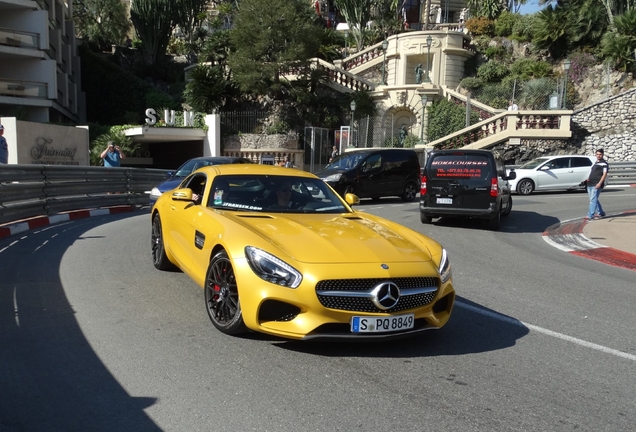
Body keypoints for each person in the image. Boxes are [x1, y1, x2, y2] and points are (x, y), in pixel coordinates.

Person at [585, 148, 609, 220]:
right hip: (590, 183)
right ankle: (601, 213)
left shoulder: (604, 164)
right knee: (594, 199)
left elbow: (604, 174)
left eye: (600, 154)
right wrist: (588, 179)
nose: (598, 156)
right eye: (597, 154)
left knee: (593, 200)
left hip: (597, 184)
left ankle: (590, 215)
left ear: (603, 155)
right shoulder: (595, 163)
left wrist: (599, 183)